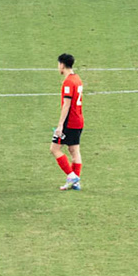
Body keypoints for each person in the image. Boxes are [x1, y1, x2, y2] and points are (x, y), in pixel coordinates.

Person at [53, 52, 85, 190]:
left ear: (62, 65)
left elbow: (66, 105)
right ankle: (76, 183)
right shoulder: (77, 79)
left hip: (69, 122)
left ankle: (71, 176)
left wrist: (60, 125)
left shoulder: (68, 82)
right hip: (79, 120)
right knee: (74, 150)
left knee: (54, 149)